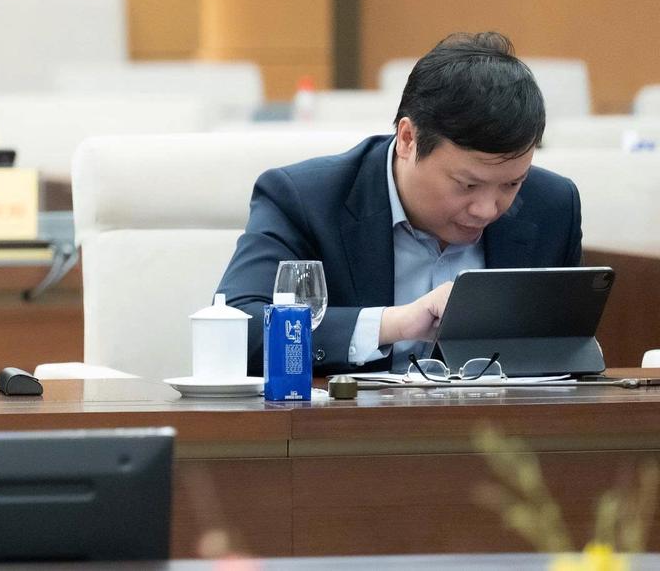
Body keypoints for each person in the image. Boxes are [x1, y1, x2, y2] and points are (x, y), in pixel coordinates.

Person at [215, 32, 582, 375]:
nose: (487, 209)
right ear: (408, 138)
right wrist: (395, 323)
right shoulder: (306, 199)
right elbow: (235, 329)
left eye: (512, 183)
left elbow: (566, 354)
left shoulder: (552, 206)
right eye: (467, 185)